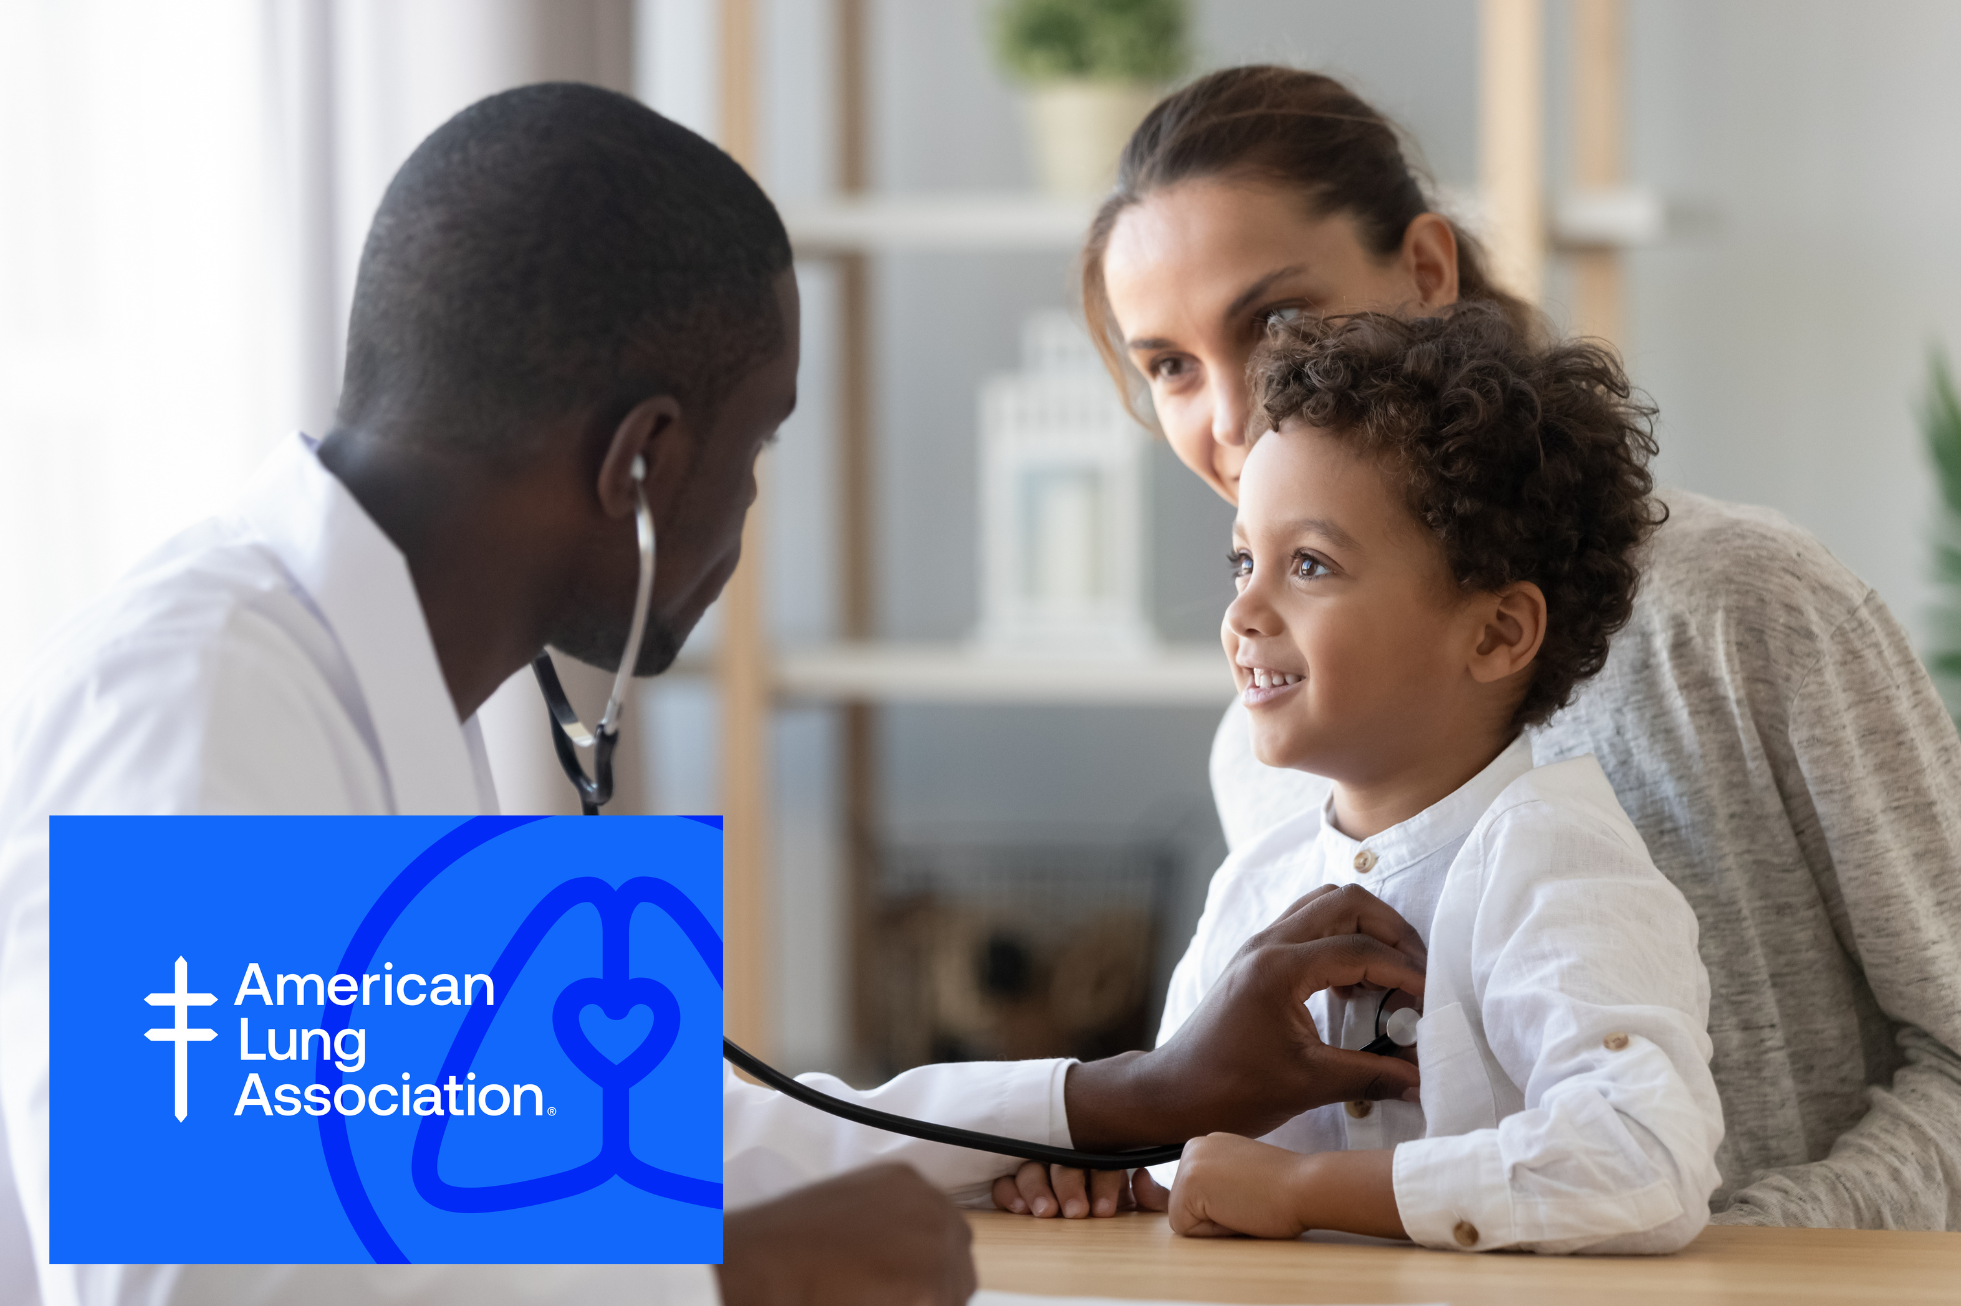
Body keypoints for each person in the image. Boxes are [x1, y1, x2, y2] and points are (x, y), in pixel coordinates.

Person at [0, 82, 1431, 1306]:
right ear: (643, 466)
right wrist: (729, 1279)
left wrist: (1125, 1098)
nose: (745, 520)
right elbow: (187, 1282)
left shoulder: (389, 694)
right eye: (753, 454)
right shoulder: (194, 699)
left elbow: (613, 1131)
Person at [996, 63, 1961, 1229]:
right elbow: (1239, 1143)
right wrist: (1116, 1157)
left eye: (1276, 321)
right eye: (1167, 365)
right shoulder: (1265, 753)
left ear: (1426, 272)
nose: (1231, 414)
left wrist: (1744, 1256)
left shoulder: (1746, 609)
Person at [1158, 305, 1722, 1252]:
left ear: (1497, 633)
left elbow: (1645, 1162)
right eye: (1242, 560)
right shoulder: (1256, 883)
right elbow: (1186, 1156)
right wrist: (1103, 1172)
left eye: (1308, 564)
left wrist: (1307, 1188)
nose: (1244, 610)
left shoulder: (1552, 864)